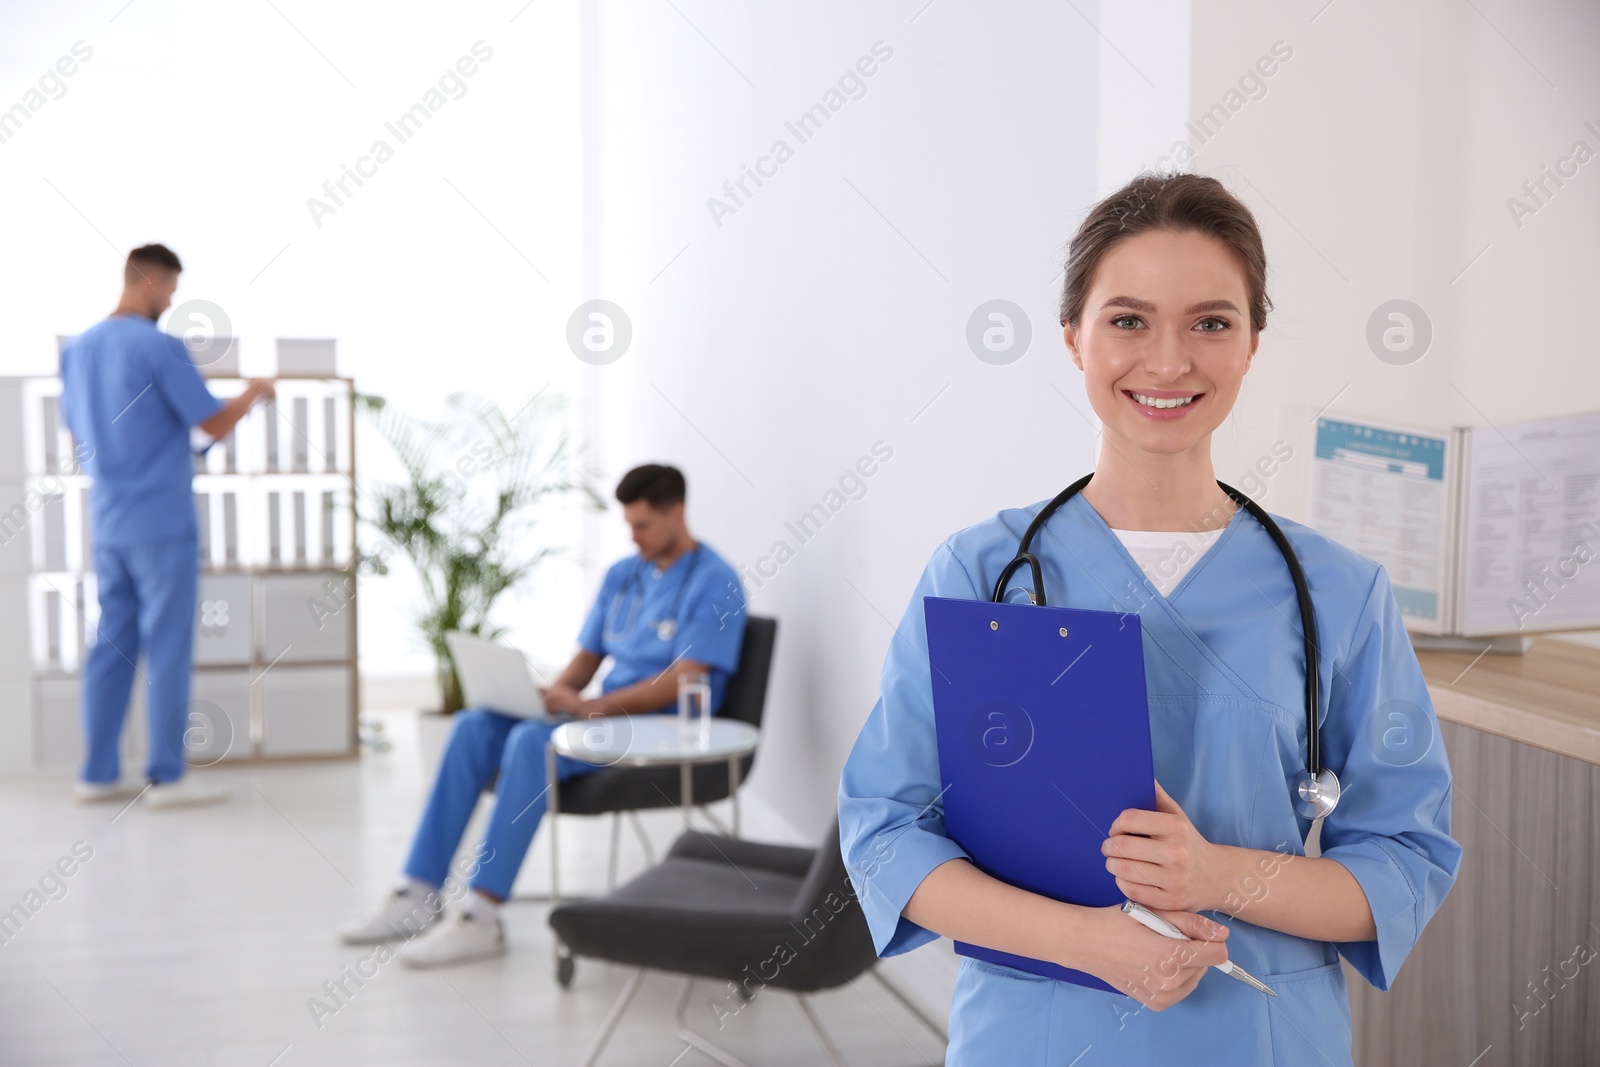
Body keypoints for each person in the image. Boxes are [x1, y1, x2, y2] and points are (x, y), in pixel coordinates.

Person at [837, 173, 1461, 1064]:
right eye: (1128, 320)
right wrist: (1084, 941)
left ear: (1251, 345)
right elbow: (886, 832)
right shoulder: (981, 572)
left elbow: (1405, 864)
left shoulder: (1340, 591)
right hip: (1037, 1033)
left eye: (1211, 322)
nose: (1169, 362)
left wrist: (1217, 876)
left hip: (1261, 1036)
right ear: (1072, 340)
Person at [340, 463, 749, 967]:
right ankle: (419, 895)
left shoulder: (715, 582)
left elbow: (684, 679)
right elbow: (587, 659)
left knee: (534, 743)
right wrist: (553, 696)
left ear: (677, 513)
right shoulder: (625, 575)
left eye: (642, 525)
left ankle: (482, 918)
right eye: (628, 525)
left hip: (657, 732)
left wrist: (592, 707)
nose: (633, 537)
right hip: (600, 719)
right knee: (474, 726)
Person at [60, 244, 275, 809]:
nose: (172, 301)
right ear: (153, 282)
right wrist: (253, 393)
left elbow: (78, 438)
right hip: (162, 521)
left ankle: (97, 773)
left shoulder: (78, 350)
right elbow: (212, 422)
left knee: (111, 643)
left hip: (109, 521)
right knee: (169, 645)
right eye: (173, 290)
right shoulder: (159, 346)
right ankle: (167, 777)